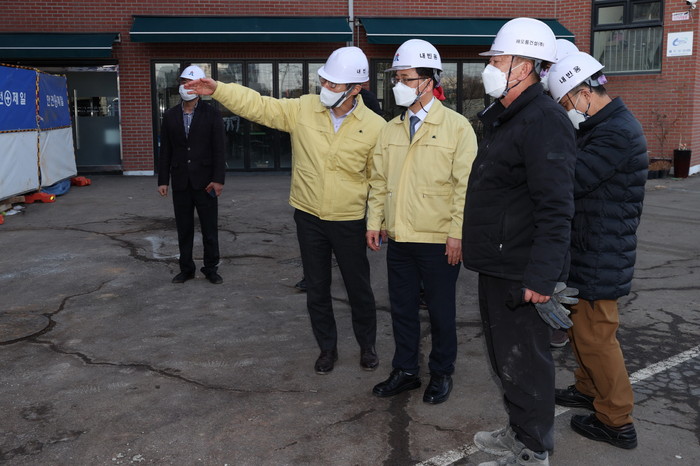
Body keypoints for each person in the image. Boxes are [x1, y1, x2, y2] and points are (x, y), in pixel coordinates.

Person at [185, 47, 386, 375]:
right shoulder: (305, 109)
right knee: (317, 288)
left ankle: (368, 346)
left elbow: (379, 181)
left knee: (358, 288)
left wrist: (374, 222)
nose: (325, 88)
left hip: (348, 219)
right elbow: (260, 106)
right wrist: (220, 90)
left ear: (356, 88)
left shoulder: (375, 127)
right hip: (308, 216)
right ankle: (327, 349)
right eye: (324, 81)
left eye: (334, 84)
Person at [461, 18, 577, 466]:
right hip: (498, 261)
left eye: (498, 60)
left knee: (526, 363)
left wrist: (542, 277)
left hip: (522, 269)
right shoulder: (506, 116)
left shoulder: (544, 120)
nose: (490, 67)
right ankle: (519, 430)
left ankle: (533, 450)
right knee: (504, 359)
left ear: (524, 67)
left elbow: (556, 206)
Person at [366, 39, 477, 405]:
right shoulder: (390, 130)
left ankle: (442, 371)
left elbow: (464, 188)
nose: (398, 84)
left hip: (439, 240)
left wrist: (457, 234)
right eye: (396, 78)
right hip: (399, 237)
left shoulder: (457, 128)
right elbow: (379, 180)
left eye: (406, 78)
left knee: (442, 312)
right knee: (401, 309)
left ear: (429, 81)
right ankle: (406, 370)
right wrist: (374, 221)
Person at [547, 51, 647, 450]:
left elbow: (572, 179)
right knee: (581, 332)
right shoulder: (600, 126)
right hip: (590, 247)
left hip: (601, 252)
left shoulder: (616, 132)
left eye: (566, 103)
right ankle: (588, 389)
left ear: (585, 93)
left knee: (597, 338)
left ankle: (617, 420)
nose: (566, 111)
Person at [158, 65, 226, 285]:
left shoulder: (212, 114)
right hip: (180, 181)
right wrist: (163, 180)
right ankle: (186, 269)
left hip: (206, 182)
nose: (185, 86)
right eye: (183, 82)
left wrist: (218, 179)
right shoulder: (170, 115)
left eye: (190, 82)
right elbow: (166, 150)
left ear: (198, 87)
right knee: (184, 229)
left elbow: (219, 149)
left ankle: (210, 268)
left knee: (209, 229)